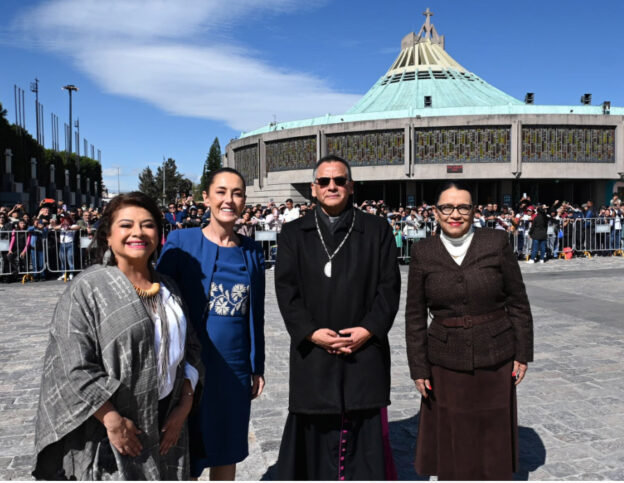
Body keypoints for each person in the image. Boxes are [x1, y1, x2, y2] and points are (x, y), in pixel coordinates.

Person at [32, 192, 203, 479]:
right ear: (107, 236)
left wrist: (185, 403)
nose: (138, 232)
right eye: (126, 225)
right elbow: (72, 364)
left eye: (148, 225)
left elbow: (192, 348)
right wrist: (112, 420)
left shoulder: (169, 288)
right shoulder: (87, 289)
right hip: (108, 427)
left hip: (168, 422)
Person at [275, 155, 400, 480]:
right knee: (313, 433)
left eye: (339, 180)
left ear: (351, 186)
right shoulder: (292, 233)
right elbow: (287, 293)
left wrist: (368, 330)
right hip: (313, 352)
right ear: (314, 189)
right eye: (324, 181)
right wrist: (311, 332)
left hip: (364, 351)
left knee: (363, 431)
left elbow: (389, 288)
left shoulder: (376, 230)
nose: (332, 186)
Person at [405, 181, 534, 480]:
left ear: (474, 211)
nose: (455, 214)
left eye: (463, 207)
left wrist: (523, 353)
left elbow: (518, 301)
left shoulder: (496, 242)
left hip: (496, 354)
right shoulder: (423, 251)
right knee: (455, 433)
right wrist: (418, 368)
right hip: (445, 359)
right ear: (435, 212)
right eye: (447, 207)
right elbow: (414, 314)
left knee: (493, 430)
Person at [157, 167, 266, 480]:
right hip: (190, 367)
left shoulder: (253, 251)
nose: (229, 200)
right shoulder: (181, 242)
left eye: (237, 193)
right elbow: (161, 302)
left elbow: (255, 312)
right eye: (221, 192)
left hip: (233, 368)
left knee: (227, 448)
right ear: (206, 197)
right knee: (184, 448)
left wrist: (256, 365)